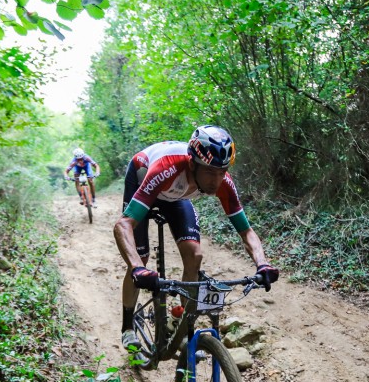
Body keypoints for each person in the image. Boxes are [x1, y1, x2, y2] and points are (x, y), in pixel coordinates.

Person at [114, 125, 279, 349]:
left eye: (222, 172)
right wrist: (136, 268)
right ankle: (127, 327)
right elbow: (123, 225)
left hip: (176, 194)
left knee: (194, 254)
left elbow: (246, 231)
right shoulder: (167, 168)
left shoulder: (222, 181)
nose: (216, 180)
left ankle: (181, 324)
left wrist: (263, 264)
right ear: (192, 163)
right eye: (210, 172)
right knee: (140, 259)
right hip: (144, 179)